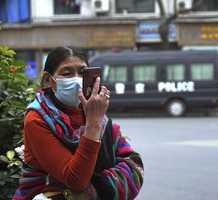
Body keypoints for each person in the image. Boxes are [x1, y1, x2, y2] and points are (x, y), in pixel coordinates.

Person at [12, 46, 144, 200]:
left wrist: (93, 190)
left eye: (83, 73)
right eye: (66, 73)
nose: (76, 79)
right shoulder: (37, 119)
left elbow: (134, 165)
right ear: (48, 80)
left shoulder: (97, 113)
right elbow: (76, 180)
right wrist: (93, 125)